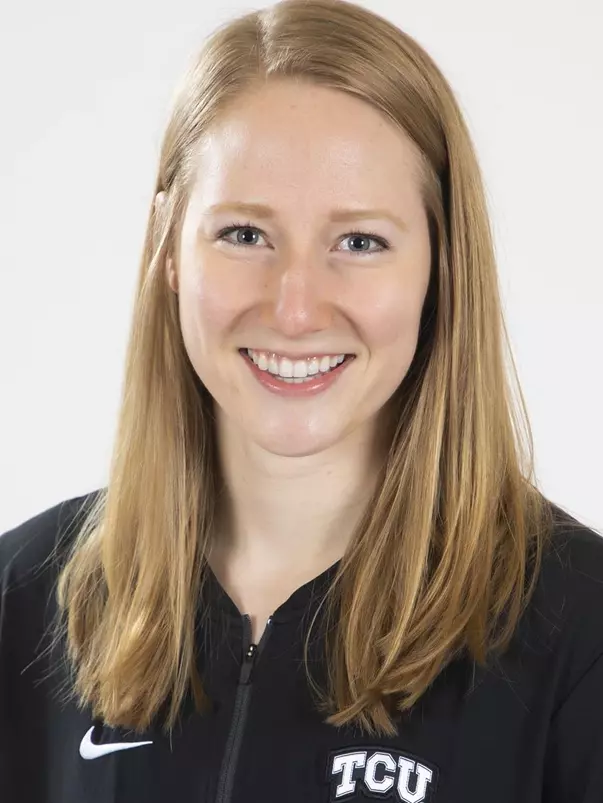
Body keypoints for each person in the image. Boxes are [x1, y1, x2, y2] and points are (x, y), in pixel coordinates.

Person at [1, 0, 602, 801]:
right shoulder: (22, 602)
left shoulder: (578, 633)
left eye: (359, 242)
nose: (293, 308)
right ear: (168, 247)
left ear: (440, 269)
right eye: (244, 234)